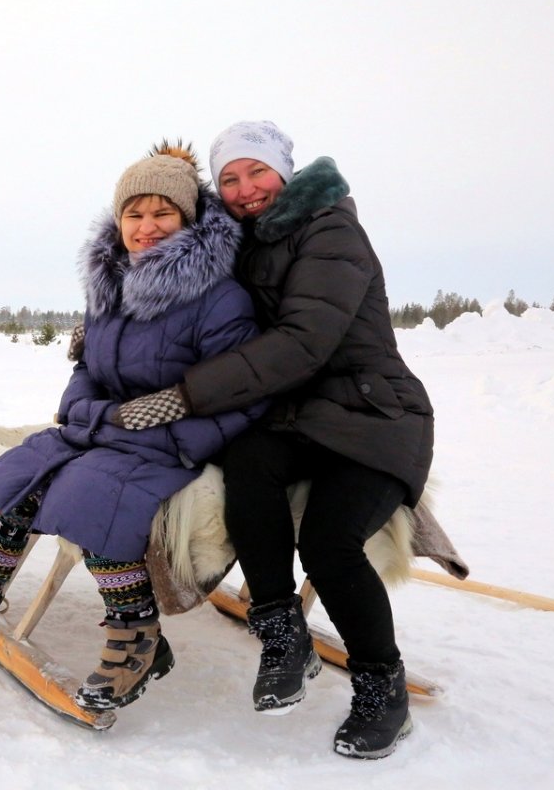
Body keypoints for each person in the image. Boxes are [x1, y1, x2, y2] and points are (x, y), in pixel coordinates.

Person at [0, 142, 269, 711]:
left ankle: (137, 635)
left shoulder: (221, 299)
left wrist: (150, 430)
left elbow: (239, 397)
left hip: (173, 442)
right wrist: (97, 417)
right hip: (110, 433)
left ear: (188, 220)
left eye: (162, 213)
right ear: (117, 223)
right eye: (134, 215)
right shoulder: (109, 290)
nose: (147, 227)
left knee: (92, 495)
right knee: (18, 472)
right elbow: (85, 376)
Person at [111, 121, 433, 758]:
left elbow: (302, 342)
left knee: (327, 540)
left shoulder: (330, 230)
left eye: (257, 172)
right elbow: (187, 304)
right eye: (229, 178)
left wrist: (184, 396)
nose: (245, 188)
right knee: (247, 470)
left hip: (375, 416)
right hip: (294, 415)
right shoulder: (247, 243)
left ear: (286, 173)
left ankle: (381, 687)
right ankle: (283, 633)